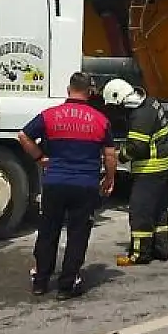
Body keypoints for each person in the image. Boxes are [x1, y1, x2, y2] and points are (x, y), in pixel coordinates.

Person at [17, 72, 117, 299]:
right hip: (85, 184)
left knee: (48, 231)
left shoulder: (50, 116)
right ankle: (67, 285)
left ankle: (41, 281)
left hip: (55, 182)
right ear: (89, 92)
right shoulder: (100, 120)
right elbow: (110, 155)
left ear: (68, 89)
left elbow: (23, 136)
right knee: (77, 234)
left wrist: (39, 158)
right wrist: (109, 179)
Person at [100, 78, 168, 265]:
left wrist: (119, 156)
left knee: (140, 210)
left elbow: (137, 147)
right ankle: (161, 248)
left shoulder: (139, 115)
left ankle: (140, 254)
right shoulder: (150, 102)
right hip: (164, 166)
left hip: (150, 169)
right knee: (158, 209)